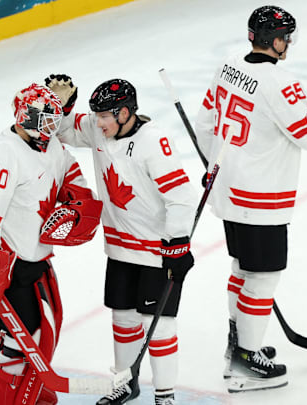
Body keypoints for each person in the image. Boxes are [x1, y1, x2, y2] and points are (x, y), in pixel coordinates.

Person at [193, 5, 307, 393]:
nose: (288, 45)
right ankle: (245, 362)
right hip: (260, 198)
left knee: (243, 269)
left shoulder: (229, 65)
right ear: (277, 41)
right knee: (263, 277)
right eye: (287, 38)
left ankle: (239, 345)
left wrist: (215, 165)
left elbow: (204, 123)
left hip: (229, 192)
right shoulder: (281, 83)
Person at [47, 75, 196, 405]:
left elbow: (181, 197)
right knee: (123, 319)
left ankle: (165, 394)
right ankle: (125, 383)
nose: (97, 123)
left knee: (157, 329)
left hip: (155, 252)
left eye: (105, 116)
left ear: (126, 113)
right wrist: (62, 106)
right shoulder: (100, 128)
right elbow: (63, 128)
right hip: (119, 249)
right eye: (96, 116)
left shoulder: (153, 143)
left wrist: (177, 245)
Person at [0, 83, 100, 404]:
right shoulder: (3, 155)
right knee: (25, 337)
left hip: (36, 258)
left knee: (47, 328)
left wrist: (76, 202)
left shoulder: (49, 147)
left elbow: (69, 173)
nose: (51, 127)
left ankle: (27, 390)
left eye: (54, 120)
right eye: (45, 120)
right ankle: (10, 395)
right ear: (24, 118)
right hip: (7, 264)